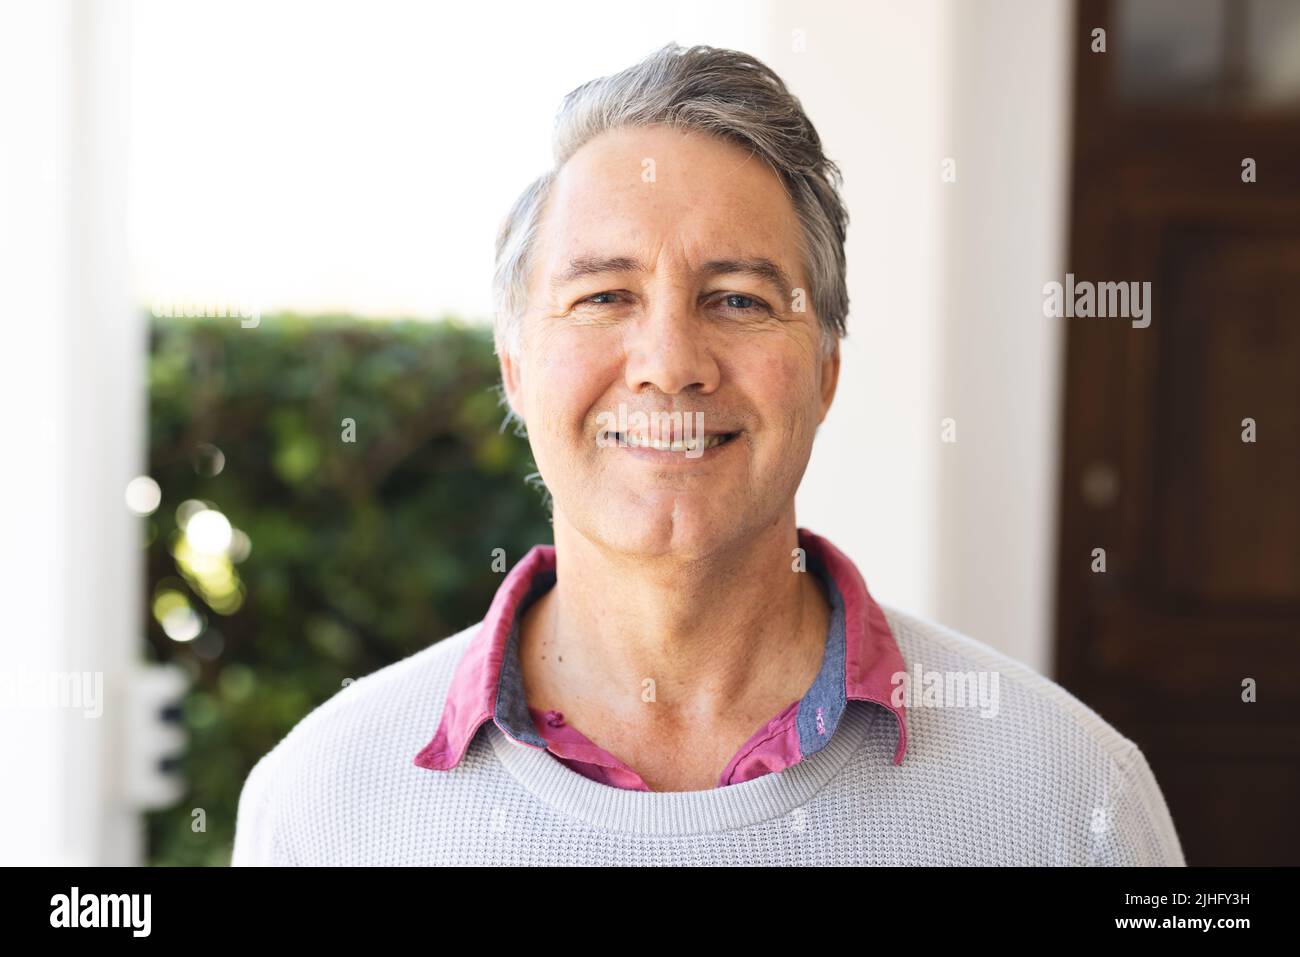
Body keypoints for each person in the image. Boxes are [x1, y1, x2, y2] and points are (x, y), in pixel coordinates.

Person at [232, 42, 1185, 866]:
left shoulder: (1070, 797)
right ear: (517, 371)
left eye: (737, 298)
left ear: (823, 373)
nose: (670, 366)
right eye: (603, 295)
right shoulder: (324, 805)